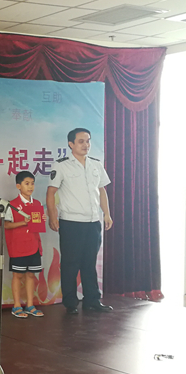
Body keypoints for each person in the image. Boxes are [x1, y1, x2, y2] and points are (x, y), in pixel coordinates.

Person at [47, 128, 113, 314]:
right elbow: (51, 192)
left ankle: (92, 300)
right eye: (81, 141)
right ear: (71, 144)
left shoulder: (96, 164)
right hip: (71, 223)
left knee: (89, 263)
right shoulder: (61, 166)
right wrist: (52, 217)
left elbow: (102, 190)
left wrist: (106, 214)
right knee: (70, 263)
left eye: (88, 141)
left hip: (93, 222)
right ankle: (70, 303)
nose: (86, 145)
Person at [5, 171, 46, 318]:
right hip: (18, 246)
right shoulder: (12, 205)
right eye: (26, 183)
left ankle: (30, 305)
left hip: (34, 245)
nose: (30, 187)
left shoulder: (37, 204)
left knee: (31, 275)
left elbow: (37, 224)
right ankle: (16, 306)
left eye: (32, 183)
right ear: (18, 186)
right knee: (17, 275)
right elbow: (6, 225)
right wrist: (23, 222)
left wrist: (42, 219)